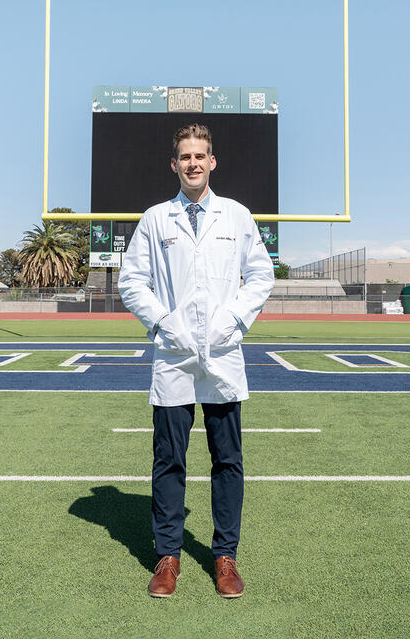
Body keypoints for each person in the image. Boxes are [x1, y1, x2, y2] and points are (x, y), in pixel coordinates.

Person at [118, 123, 275, 599]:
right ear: (174, 164)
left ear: (212, 162)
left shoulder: (236, 215)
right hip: (174, 356)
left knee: (227, 459)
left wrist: (234, 319)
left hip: (223, 354)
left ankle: (225, 556)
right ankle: (168, 556)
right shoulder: (155, 219)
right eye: (185, 157)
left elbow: (261, 275)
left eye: (200, 156)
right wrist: (163, 323)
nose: (192, 163)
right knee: (169, 459)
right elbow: (132, 281)